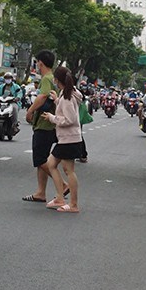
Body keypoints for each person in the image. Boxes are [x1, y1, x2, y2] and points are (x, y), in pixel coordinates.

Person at [22, 50, 67, 203]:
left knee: (41, 159)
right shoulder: (52, 78)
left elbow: (42, 96)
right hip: (48, 124)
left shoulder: (47, 79)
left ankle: (63, 185)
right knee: (42, 159)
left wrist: (30, 111)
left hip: (44, 123)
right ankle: (41, 192)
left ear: (40, 62)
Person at [42, 66, 83, 213]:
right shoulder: (70, 94)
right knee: (51, 163)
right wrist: (56, 100)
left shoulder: (67, 97)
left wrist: (52, 118)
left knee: (68, 170)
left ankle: (73, 204)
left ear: (57, 80)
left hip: (69, 139)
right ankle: (60, 197)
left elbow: (69, 119)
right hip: (68, 138)